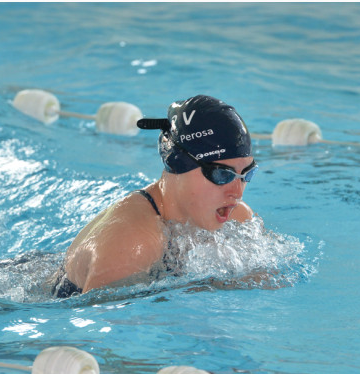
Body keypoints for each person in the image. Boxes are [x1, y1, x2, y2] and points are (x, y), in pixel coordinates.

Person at [50, 94, 258, 297]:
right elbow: (95, 325)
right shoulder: (132, 243)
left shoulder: (239, 218)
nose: (237, 192)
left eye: (246, 174)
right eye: (222, 174)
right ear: (178, 163)